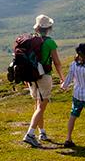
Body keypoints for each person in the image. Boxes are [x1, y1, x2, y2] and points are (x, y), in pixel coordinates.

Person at [22, 14, 65, 147]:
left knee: (37, 104)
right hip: (44, 76)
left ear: (37, 28)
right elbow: (57, 63)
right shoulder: (50, 42)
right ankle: (30, 134)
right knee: (42, 106)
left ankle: (42, 132)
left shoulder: (30, 40)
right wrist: (62, 78)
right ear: (49, 28)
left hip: (32, 77)